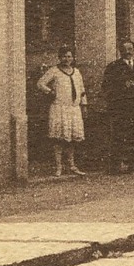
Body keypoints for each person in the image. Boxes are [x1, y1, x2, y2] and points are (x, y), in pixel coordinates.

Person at [36, 46, 87, 177]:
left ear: (73, 58)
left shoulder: (76, 72)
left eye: (69, 56)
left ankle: (72, 165)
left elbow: (81, 90)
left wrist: (84, 105)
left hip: (74, 109)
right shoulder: (54, 71)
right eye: (64, 56)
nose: (67, 59)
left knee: (72, 139)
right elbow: (40, 83)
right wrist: (50, 92)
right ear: (59, 57)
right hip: (59, 108)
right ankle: (58, 167)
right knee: (59, 139)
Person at [103, 39, 134, 174]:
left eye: (130, 49)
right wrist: (122, 86)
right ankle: (115, 165)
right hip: (120, 107)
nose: (128, 52)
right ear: (120, 51)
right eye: (125, 49)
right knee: (118, 135)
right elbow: (107, 87)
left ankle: (132, 163)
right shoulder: (113, 67)